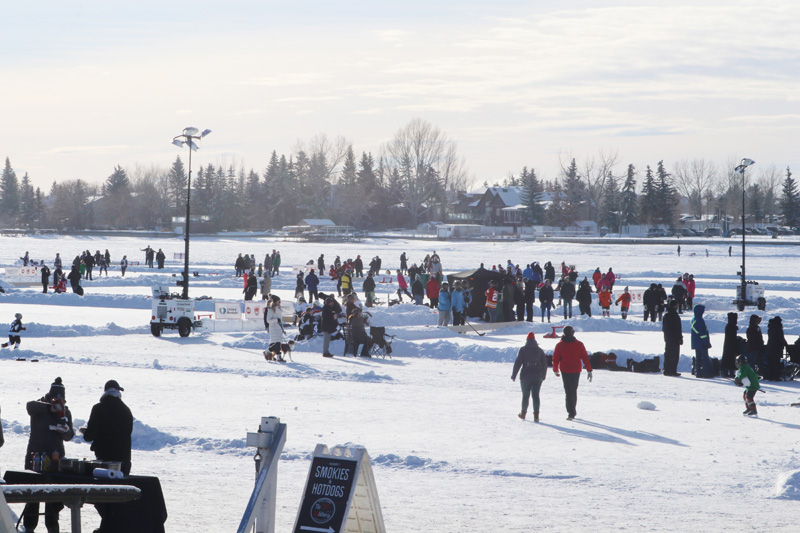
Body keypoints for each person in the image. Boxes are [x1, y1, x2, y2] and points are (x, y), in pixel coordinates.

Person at [22, 377, 75, 533]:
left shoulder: (65, 411)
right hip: (35, 456)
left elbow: (69, 434)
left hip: (55, 457)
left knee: (53, 497)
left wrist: (65, 431)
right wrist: (49, 408)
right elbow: (29, 406)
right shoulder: (39, 407)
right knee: (33, 496)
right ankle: (30, 526)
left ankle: (52, 527)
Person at [82, 380, 133, 475]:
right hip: (124, 461)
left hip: (105, 461)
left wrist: (86, 432)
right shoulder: (126, 410)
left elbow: (89, 436)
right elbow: (128, 432)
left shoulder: (98, 408)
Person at [552, 326, 592, 420]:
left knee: (568, 391)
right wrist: (589, 370)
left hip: (565, 370)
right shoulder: (579, 344)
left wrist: (555, 369)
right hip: (576, 370)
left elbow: (555, 359)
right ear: (573, 333)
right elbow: (585, 358)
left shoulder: (559, 345)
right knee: (573, 391)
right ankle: (572, 411)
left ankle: (571, 412)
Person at [511, 332, 547, 422]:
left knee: (525, 395)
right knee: (536, 396)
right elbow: (545, 364)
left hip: (525, 376)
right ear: (535, 341)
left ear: (527, 340)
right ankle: (536, 416)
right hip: (538, 376)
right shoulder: (540, 350)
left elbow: (518, 362)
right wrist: (543, 376)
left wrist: (514, 375)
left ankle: (523, 414)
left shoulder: (523, 350)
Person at [662, 300, 683, 376]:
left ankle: (667, 370)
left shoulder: (667, 315)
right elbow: (677, 328)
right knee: (674, 356)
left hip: (668, 338)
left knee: (668, 354)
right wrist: (679, 338)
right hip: (674, 339)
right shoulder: (673, 315)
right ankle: (672, 370)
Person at [691, 304, 712, 378]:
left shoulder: (694, 319)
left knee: (698, 358)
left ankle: (698, 372)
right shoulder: (700, 320)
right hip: (701, 343)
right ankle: (706, 373)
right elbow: (703, 333)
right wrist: (706, 343)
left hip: (696, 342)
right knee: (705, 358)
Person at [765, 316, 788, 381]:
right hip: (777, 347)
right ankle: (776, 376)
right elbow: (781, 338)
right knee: (776, 363)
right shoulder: (778, 328)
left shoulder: (770, 327)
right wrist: (786, 345)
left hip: (770, 346)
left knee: (770, 362)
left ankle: (770, 376)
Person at [264, 296, 286, 362]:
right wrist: (276, 320)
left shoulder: (278, 309)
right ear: (275, 302)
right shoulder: (270, 309)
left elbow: (280, 320)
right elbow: (268, 320)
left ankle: (279, 357)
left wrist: (282, 328)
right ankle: (267, 351)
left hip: (278, 328)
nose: (279, 303)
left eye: (280, 301)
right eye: (278, 301)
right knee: (276, 343)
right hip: (273, 328)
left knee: (278, 343)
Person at [720, 312, 740, 378]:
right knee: (730, 359)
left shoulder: (729, 325)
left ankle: (726, 372)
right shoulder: (731, 326)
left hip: (728, 344)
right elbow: (732, 337)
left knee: (728, 358)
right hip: (731, 345)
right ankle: (728, 372)